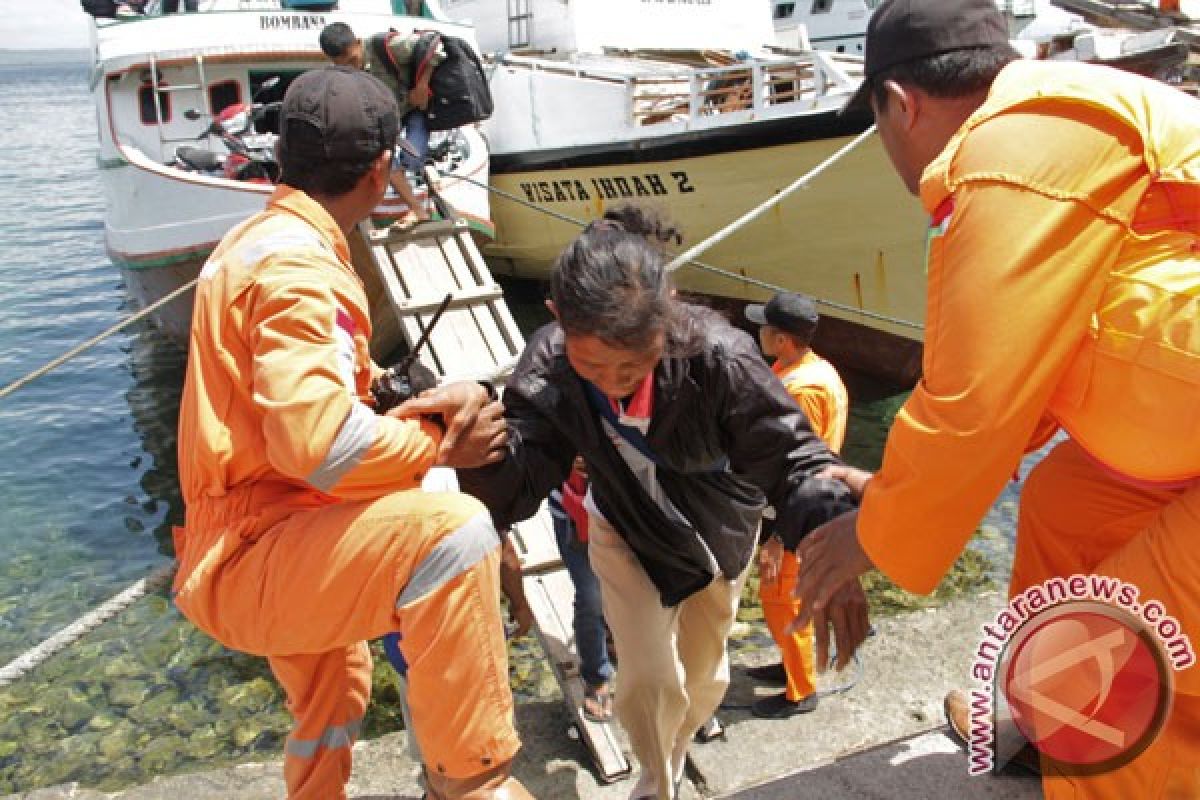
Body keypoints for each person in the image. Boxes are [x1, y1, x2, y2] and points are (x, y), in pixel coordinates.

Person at [791, 1, 1200, 798]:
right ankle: (1048, 727)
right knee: (1059, 500)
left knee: (1100, 647)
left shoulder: (1008, 155)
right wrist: (895, 493)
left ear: (900, 104)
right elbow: (1029, 379)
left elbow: (969, 401)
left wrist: (870, 536)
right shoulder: (1065, 120)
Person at [171, 66, 535, 800]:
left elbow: (294, 421)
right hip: (258, 551)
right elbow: (322, 447)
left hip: (242, 535)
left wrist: (403, 407)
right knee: (455, 533)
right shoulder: (304, 269)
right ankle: (473, 782)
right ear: (380, 168)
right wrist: (442, 445)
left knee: (335, 687)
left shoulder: (253, 242)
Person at [419, 205, 856, 800]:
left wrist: (832, 537)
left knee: (704, 680)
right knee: (648, 680)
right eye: (591, 362)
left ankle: (671, 759)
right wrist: (478, 452)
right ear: (557, 319)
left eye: (634, 362)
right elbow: (519, 483)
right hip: (624, 523)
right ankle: (656, 784)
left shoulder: (720, 356)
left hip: (716, 531)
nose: (611, 379)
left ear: (668, 313)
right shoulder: (550, 365)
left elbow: (791, 457)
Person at [743, 291, 848, 719]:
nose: (758, 332)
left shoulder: (802, 391)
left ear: (782, 339)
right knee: (788, 594)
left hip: (799, 512)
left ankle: (801, 691)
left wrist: (779, 536)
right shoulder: (813, 369)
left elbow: (800, 474)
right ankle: (791, 663)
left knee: (782, 595)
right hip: (811, 504)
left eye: (765, 328)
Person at [319, 21, 441, 223]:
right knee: (384, 161)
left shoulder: (387, 46)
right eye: (343, 65)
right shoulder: (341, 73)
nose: (352, 67)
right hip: (388, 117)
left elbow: (436, 45)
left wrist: (422, 85)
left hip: (414, 109)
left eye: (352, 60)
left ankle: (428, 172)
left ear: (358, 43)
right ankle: (417, 209)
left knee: (413, 160)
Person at [548, 458, 616, 722]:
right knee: (591, 595)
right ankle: (596, 674)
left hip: (627, 503)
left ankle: (613, 637)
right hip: (573, 510)